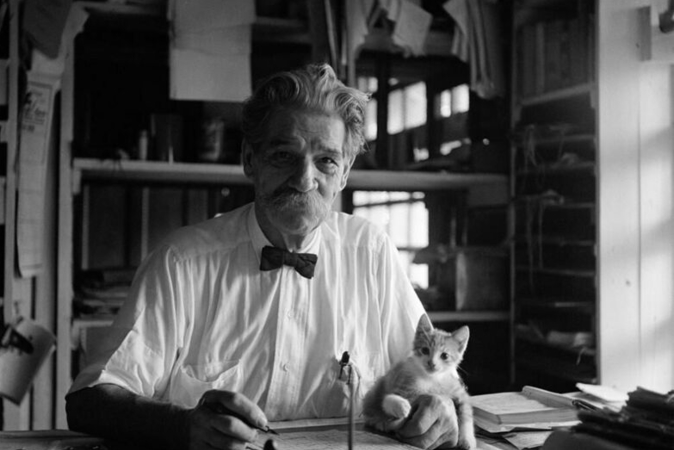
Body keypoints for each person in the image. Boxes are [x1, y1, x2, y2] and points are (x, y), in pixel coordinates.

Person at [66, 63, 459, 450]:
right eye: (284, 155)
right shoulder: (181, 262)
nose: (304, 180)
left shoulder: (372, 253)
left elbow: (439, 382)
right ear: (250, 160)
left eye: (326, 160)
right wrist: (181, 426)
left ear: (344, 172)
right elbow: (88, 401)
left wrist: (439, 412)